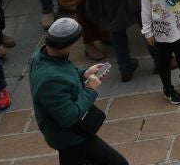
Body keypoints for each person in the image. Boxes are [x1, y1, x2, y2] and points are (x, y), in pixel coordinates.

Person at [28, 17, 126, 165]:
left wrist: (83, 73)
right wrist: (90, 90)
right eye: (74, 42)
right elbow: (68, 117)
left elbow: (64, 71)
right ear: (66, 45)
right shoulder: (50, 80)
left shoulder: (43, 55)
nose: (76, 45)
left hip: (73, 135)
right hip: (70, 139)